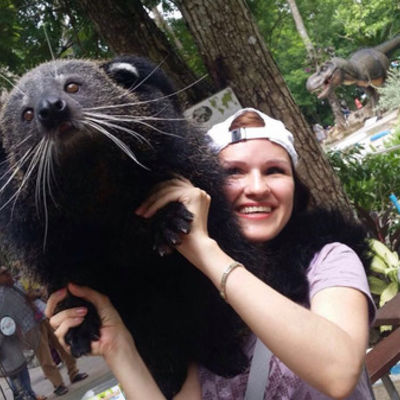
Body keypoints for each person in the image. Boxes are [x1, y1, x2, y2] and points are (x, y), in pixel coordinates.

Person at [46, 108, 376, 399]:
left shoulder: (328, 259)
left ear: (295, 186)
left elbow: (338, 372)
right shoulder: (187, 291)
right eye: (234, 172)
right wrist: (117, 347)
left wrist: (204, 249)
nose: (257, 188)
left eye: (275, 171)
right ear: (205, 186)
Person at [18, 276, 88, 397]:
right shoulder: (4, 294)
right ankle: (58, 384)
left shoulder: (18, 283)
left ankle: (74, 373)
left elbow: (37, 292)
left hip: (43, 315)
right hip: (29, 325)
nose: (7, 274)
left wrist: (34, 294)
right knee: (45, 356)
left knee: (62, 343)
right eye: (3, 273)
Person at [0, 268, 46, 400]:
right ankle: (25, 395)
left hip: (11, 337)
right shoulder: (2, 296)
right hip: (4, 342)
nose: (8, 275)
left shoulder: (11, 288)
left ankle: (28, 394)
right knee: (14, 372)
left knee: (20, 368)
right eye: (4, 274)